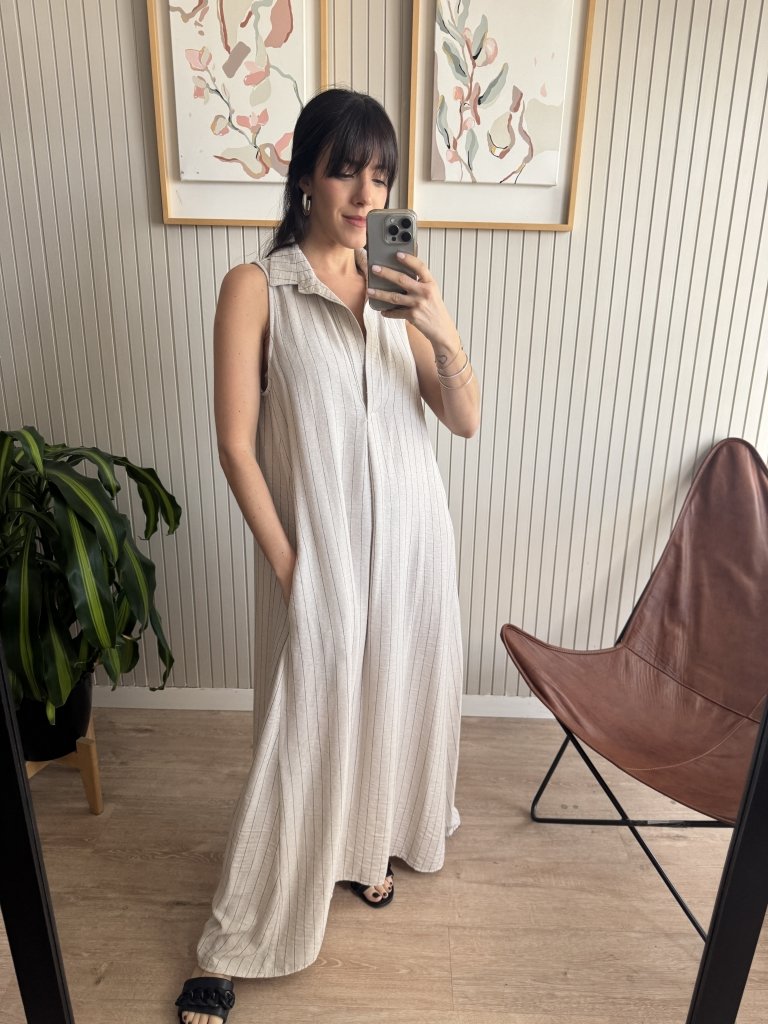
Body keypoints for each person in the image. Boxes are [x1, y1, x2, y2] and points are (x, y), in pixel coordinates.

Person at [174, 87, 480, 1024]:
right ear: (306, 174)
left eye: (380, 175)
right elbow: (235, 445)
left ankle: (362, 847)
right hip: (322, 553)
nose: (364, 193)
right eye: (346, 170)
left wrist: (438, 324)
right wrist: (289, 567)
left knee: (393, 697)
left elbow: (463, 419)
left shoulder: (396, 287)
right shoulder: (257, 287)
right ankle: (235, 938)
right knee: (299, 732)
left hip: (414, 544)